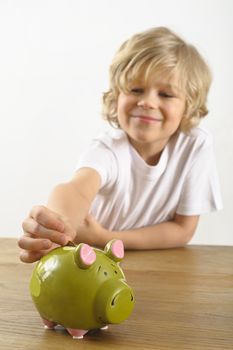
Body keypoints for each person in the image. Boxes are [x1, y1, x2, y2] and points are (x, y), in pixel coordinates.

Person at [18, 27, 222, 263]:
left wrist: (105, 237)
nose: (147, 102)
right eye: (136, 90)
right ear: (116, 97)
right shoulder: (108, 150)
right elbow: (76, 190)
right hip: (91, 263)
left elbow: (183, 229)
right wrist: (57, 225)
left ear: (189, 106)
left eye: (165, 94)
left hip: (152, 263)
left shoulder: (195, 145)